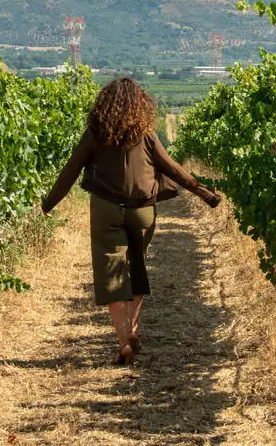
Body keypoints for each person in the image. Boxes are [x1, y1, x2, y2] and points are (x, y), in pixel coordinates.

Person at [41, 77, 223, 367]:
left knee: (111, 273)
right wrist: (206, 195)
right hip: (142, 210)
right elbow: (173, 168)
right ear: (141, 105)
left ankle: (123, 340)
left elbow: (71, 169)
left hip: (106, 209)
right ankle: (133, 327)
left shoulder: (95, 133)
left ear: (104, 104)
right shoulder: (147, 135)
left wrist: (49, 203)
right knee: (136, 267)